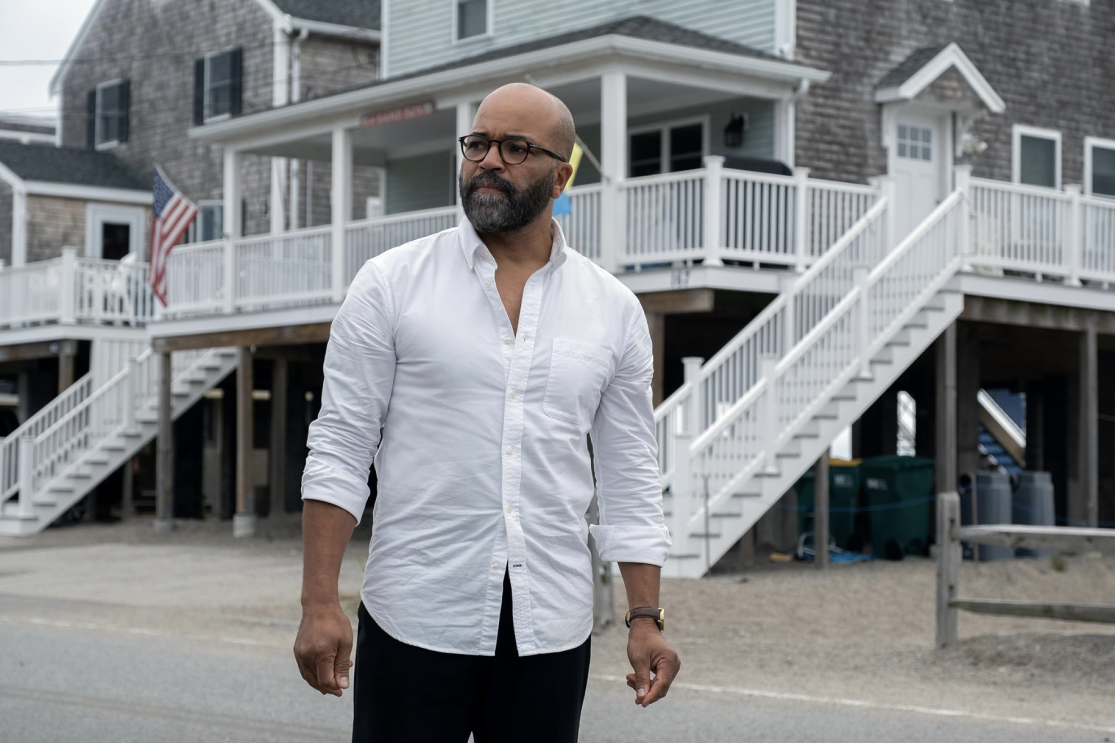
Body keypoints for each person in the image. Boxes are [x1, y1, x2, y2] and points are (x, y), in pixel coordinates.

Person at [294, 82, 680, 743]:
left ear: (560, 176)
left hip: (549, 630)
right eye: (477, 143)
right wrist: (318, 600)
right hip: (415, 615)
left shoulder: (612, 309)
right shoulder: (391, 283)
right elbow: (340, 446)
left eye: (515, 147)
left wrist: (644, 615)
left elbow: (628, 474)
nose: (488, 160)